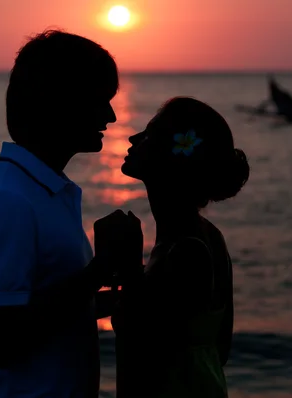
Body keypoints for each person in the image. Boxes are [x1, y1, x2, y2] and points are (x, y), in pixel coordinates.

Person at [0, 29, 142, 398]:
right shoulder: (10, 201)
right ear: (59, 103)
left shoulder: (42, 191)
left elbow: (44, 311)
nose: (109, 115)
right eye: (99, 100)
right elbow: (2, 341)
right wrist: (99, 271)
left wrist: (127, 300)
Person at [110, 97, 250, 398]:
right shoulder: (207, 238)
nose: (133, 138)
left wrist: (128, 266)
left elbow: (142, 359)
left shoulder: (186, 254)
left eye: (149, 133)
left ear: (172, 156)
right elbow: (219, 349)